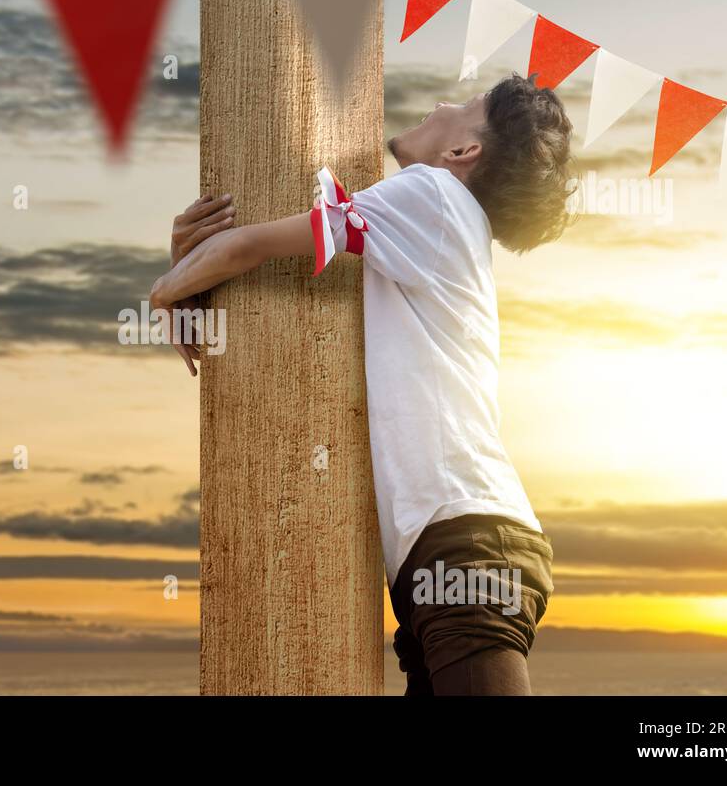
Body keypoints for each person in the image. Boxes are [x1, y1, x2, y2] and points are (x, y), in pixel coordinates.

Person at [151, 73, 574, 695]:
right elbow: (263, 254)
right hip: (450, 551)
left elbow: (252, 245)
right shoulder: (429, 225)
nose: (440, 103)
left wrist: (165, 288)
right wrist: (189, 265)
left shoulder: (433, 195)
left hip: (466, 542)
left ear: (463, 153)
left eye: (464, 106)